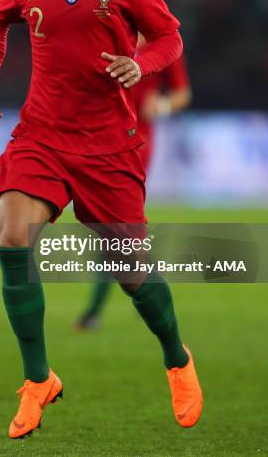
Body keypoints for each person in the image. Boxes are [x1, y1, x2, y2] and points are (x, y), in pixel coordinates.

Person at [0, 0, 203, 439]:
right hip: (43, 134)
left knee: (131, 273)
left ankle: (177, 358)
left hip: (107, 144)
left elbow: (169, 37)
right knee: (11, 236)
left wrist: (141, 65)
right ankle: (37, 380)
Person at [75, 52, 192, 330]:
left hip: (135, 143)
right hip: (95, 139)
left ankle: (95, 312)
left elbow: (182, 93)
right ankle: (141, 280)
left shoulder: (161, 44)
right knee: (108, 230)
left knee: (112, 230)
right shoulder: (104, 29)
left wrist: (162, 106)